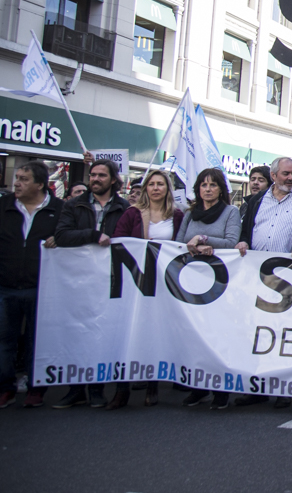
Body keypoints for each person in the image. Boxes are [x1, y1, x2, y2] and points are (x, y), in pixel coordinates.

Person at [233, 157, 292, 410]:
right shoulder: (256, 201)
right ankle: (256, 387)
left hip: (287, 279)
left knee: (282, 335)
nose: (291, 178)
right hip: (255, 276)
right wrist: (243, 241)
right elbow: (246, 230)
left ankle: (283, 388)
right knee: (255, 333)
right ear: (273, 176)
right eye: (286, 174)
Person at [51, 157, 129, 410]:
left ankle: (96, 388)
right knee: (78, 331)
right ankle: (76, 389)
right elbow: (62, 235)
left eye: (101, 175)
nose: (95, 179)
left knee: (101, 332)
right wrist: (93, 235)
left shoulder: (124, 208)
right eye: (92, 175)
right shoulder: (74, 205)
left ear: (113, 180)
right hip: (78, 280)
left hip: (109, 279)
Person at [107, 170, 183, 409]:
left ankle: (152, 384)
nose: (156, 188)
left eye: (161, 184)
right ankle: (122, 389)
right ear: (146, 188)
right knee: (129, 330)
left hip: (164, 282)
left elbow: (182, 243)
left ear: (167, 189)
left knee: (155, 331)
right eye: (152, 184)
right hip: (135, 281)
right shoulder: (132, 213)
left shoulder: (177, 215)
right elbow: (119, 240)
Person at [175, 168, 243, 409]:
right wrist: (193, 245)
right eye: (203, 185)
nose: (208, 189)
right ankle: (199, 386)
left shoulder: (230, 212)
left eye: (213, 185)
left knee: (219, 335)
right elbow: (179, 243)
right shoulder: (190, 214)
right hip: (192, 281)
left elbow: (231, 242)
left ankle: (221, 389)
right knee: (196, 335)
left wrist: (204, 239)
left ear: (221, 189)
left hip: (220, 283)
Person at [0, 162, 63, 409]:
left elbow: (72, 236)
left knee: (37, 341)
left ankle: (36, 388)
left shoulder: (59, 210)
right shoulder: (4, 206)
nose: (17, 183)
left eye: (24, 179)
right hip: (5, 286)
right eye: (17, 177)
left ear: (40, 184)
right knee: (4, 341)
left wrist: (61, 239)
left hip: (41, 288)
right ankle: (5, 388)